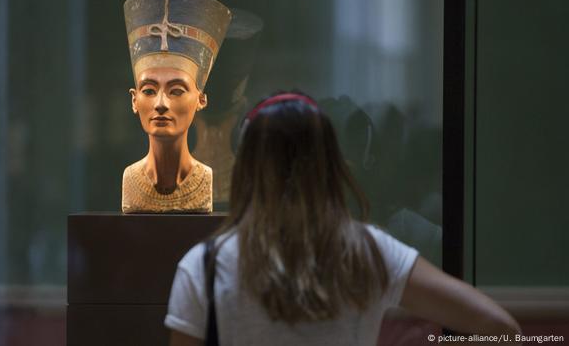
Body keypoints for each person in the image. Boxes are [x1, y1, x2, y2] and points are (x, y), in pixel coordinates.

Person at [165, 92, 521, 345]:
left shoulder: (204, 266)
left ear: (247, 170)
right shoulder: (369, 250)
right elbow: (499, 327)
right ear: (329, 166)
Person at [121, 0, 232, 213]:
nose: (161, 103)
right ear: (134, 100)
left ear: (200, 100)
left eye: (177, 91)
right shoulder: (129, 178)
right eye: (149, 90)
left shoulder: (206, 177)